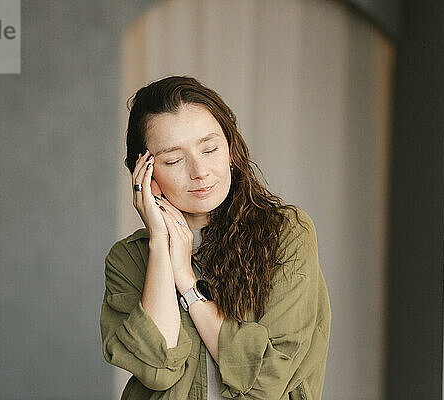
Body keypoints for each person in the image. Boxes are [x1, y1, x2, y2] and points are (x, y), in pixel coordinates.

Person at [100, 75, 331, 400]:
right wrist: (160, 247)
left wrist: (186, 280)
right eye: (174, 160)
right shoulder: (128, 259)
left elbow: (267, 380)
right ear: (146, 173)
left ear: (231, 150)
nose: (200, 171)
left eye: (209, 149)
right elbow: (156, 366)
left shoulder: (285, 234)